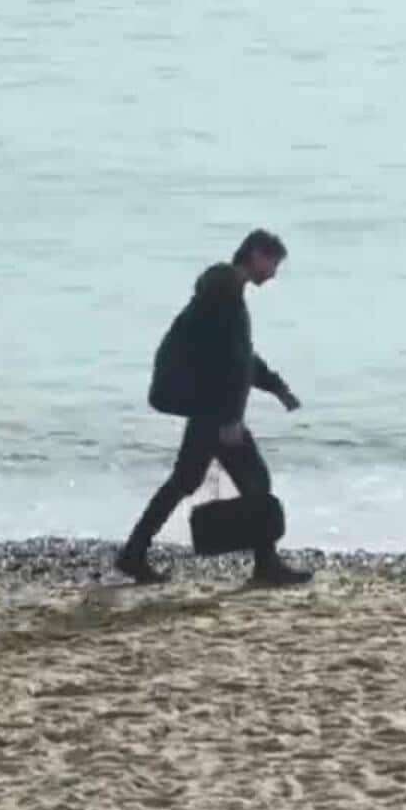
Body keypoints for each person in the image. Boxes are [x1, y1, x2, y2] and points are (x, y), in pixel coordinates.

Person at [116, 230, 312, 587]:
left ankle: (134, 553)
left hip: (208, 405)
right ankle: (265, 566)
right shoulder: (225, 297)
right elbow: (234, 362)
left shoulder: (221, 292)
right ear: (255, 255)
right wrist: (232, 419)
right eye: (273, 263)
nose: (273, 274)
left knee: (186, 481)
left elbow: (239, 357)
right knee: (254, 480)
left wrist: (276, 388)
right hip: (216, 410)